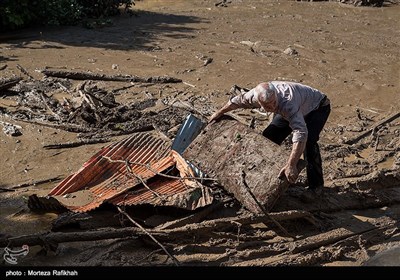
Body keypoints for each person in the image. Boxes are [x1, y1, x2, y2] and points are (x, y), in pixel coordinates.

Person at [209, 81, 331, 191]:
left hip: (317, 107)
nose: (271, 108)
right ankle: (266, 176)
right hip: (289, 109)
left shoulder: (288, 102)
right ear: (259, 102)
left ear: (276, 96)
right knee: (268, 137)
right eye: (267, 106)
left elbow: (300, 133)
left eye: (273, 103)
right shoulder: (253, 96)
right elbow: (235, 102)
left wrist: (292, 164)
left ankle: (316, 187)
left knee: (309, 142)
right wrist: (218, 113)